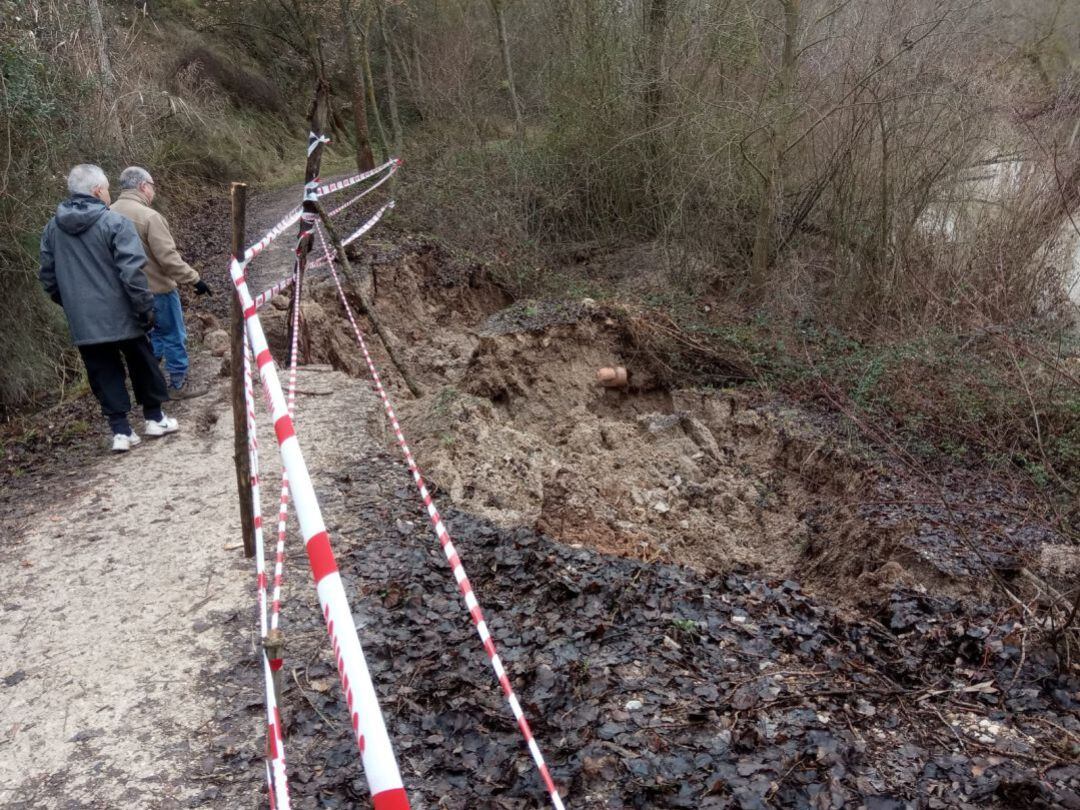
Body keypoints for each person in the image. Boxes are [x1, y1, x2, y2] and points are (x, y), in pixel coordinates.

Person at [39, 164, 179, 453]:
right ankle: (154, 418)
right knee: (142, 362)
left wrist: (73, 305)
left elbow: (48, 277)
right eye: (106, 190)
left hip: (84, 321)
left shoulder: (52, 229)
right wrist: (144, 308)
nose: (108, 195)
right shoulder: (114, 223)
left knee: (103, 372)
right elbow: (132, 272)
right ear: (97, 191)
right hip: (124, 312)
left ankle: (121, 431)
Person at [111, 166, 212, 397]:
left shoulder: (106, 214)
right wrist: (195, 279)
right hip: (158, 290)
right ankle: (178, 384)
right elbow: (168, 259)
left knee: (146, 339)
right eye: (152, 186)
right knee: (173, 335)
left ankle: (150, 384)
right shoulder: (149, 217)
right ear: (143, 186)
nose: (153, 192)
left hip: (125, 293)